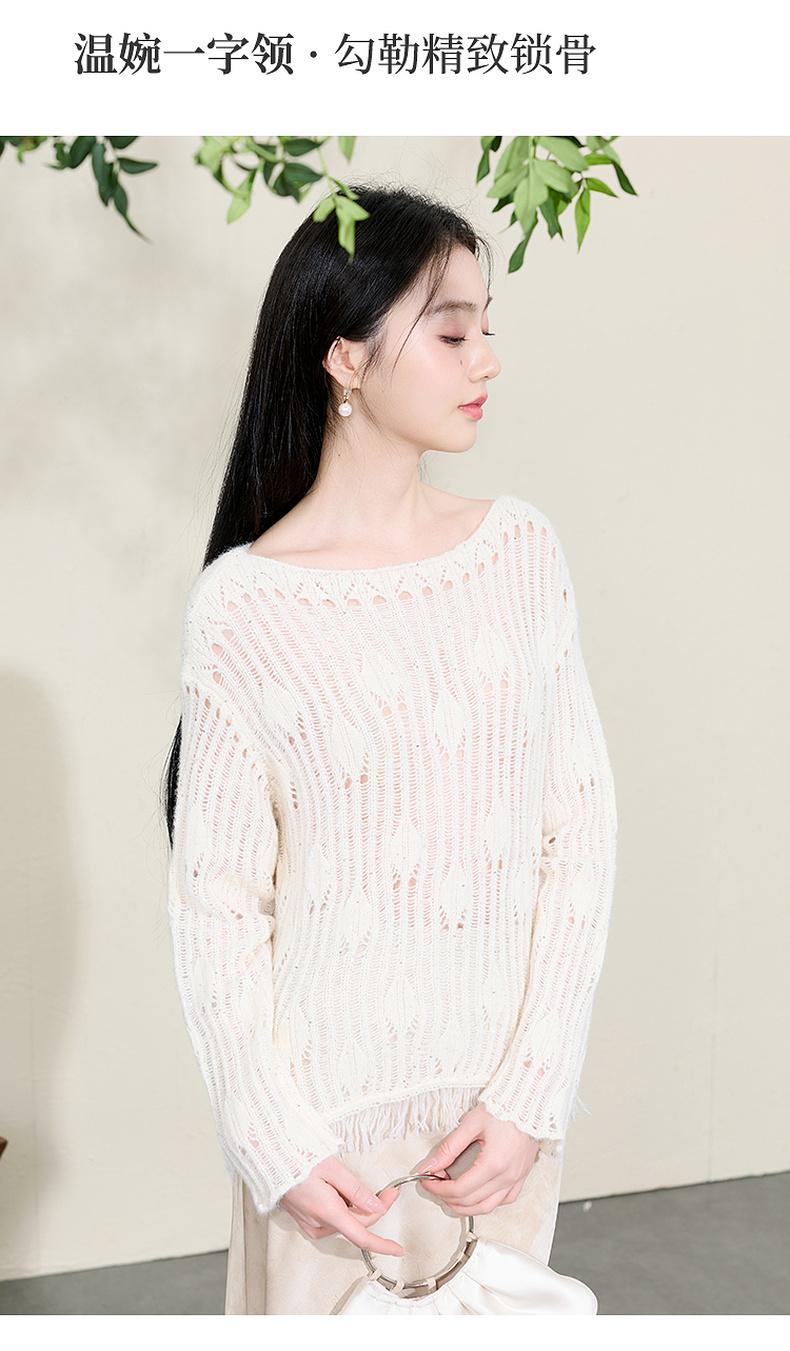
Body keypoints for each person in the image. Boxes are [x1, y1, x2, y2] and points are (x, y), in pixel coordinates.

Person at [164, 183, 618, 1315]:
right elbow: (218, 903)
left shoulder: (519, 555)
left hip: (491, 1135)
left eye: (486, 328)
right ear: (346, 360)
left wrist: (531, 1094)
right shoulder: (245, 608)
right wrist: (275, 1143)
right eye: (451, 333)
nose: (485, 360)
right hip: (323, 1156)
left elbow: (577, 835)